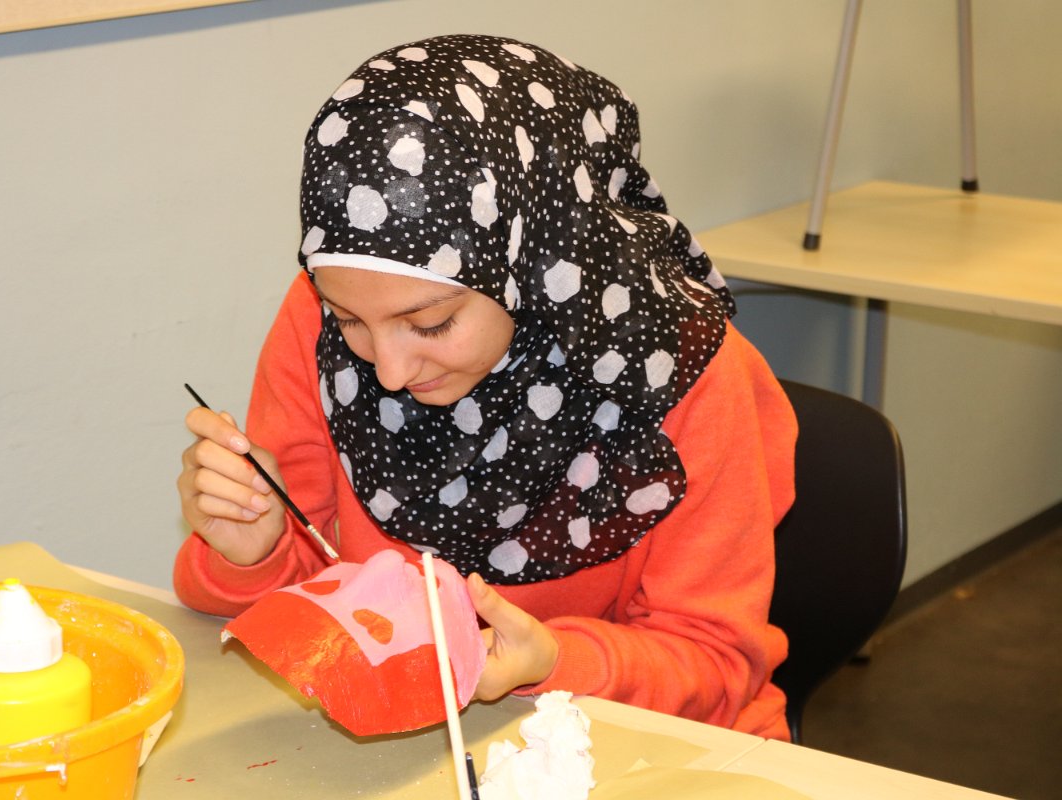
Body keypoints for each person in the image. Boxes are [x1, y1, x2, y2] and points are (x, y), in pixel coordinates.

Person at [175, 34, 797, 740]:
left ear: (536, 264)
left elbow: (716, 666)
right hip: (414, 744)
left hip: (652, 749)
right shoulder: (320, 312)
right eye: (350, 321)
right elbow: (307, 610)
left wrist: (553, 662)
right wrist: (250, 553)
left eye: (431, 324)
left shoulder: (680, 371)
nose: (389, 371)